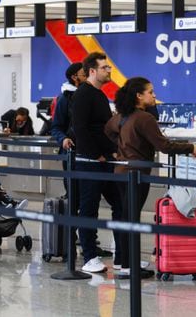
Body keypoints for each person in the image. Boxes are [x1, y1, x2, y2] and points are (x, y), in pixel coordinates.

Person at [104, 77, 196, 279]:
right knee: (132, 218)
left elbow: (108, 130)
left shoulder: (122, 116)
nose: (154, 95)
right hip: (138, 174)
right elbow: (164, 146)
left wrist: (121, 147)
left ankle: (125, 262)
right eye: (150, 92)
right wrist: (192, 147)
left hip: (121, 172)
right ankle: (130, 265)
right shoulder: (144, 118)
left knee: (126, 217)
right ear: (139, 95)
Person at [52, 61, 118, 259]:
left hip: (94, 157)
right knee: (78, 201)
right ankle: (70, 245)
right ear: (76, 77)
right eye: (83, 74)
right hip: (76, 156)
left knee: (91, 202)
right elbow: (57, 126)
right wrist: (63, 139)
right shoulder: (65, 99)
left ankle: (90, 244)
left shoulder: (95, 95)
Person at [71, 52, 119, 273]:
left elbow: (103, 128)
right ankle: (89, 256)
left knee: (120, 203)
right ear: (92, 70)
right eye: (104, 68)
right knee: (89, 209)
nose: (108, 71)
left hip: (106, 160)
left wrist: (112, 152)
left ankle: (123, 256)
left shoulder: (100, 95)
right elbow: (80, 128)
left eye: (108, 67)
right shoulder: (83, 95)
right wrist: (95, 154)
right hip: (90, 162)